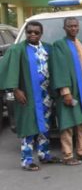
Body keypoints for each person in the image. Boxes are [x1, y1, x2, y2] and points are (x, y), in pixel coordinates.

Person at [0, 21, 55, 170]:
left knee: (45, 125)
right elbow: (10, 69)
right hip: (28, 94)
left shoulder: (47, 48)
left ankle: (44, 154)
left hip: (46, 94)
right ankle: (27, 160)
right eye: (29, 32)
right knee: (28, 126)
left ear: (41, 33)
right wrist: (15, 89)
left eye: (36, 32)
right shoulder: (17, 49)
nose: (32, 34)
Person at [51, 17, 82, 165]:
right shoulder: (59, 45)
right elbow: (59, 68)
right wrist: (65, 92)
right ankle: (68, 155)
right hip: (70, 90)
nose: (73, 28)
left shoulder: (81, 43)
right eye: (70, 26)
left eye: (76, 26)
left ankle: (81, 151)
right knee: (68, 123)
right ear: (64, 28)